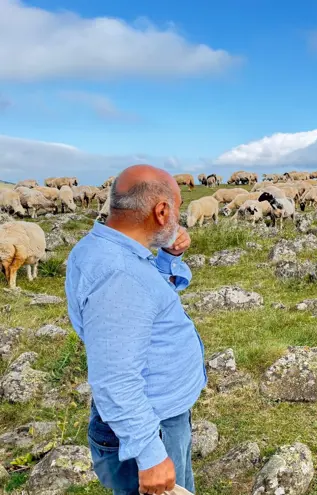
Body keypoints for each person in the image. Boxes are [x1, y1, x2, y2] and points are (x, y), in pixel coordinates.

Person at [66, 165, 206, 494]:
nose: (178, 217)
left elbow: (148, 299)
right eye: (177, 208)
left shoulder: (107, 250)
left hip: (160, 415)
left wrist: (170, 256)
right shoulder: (120, 275)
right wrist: (150, 453)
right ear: (161, 211)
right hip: (149, 426)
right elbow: (115, 375)